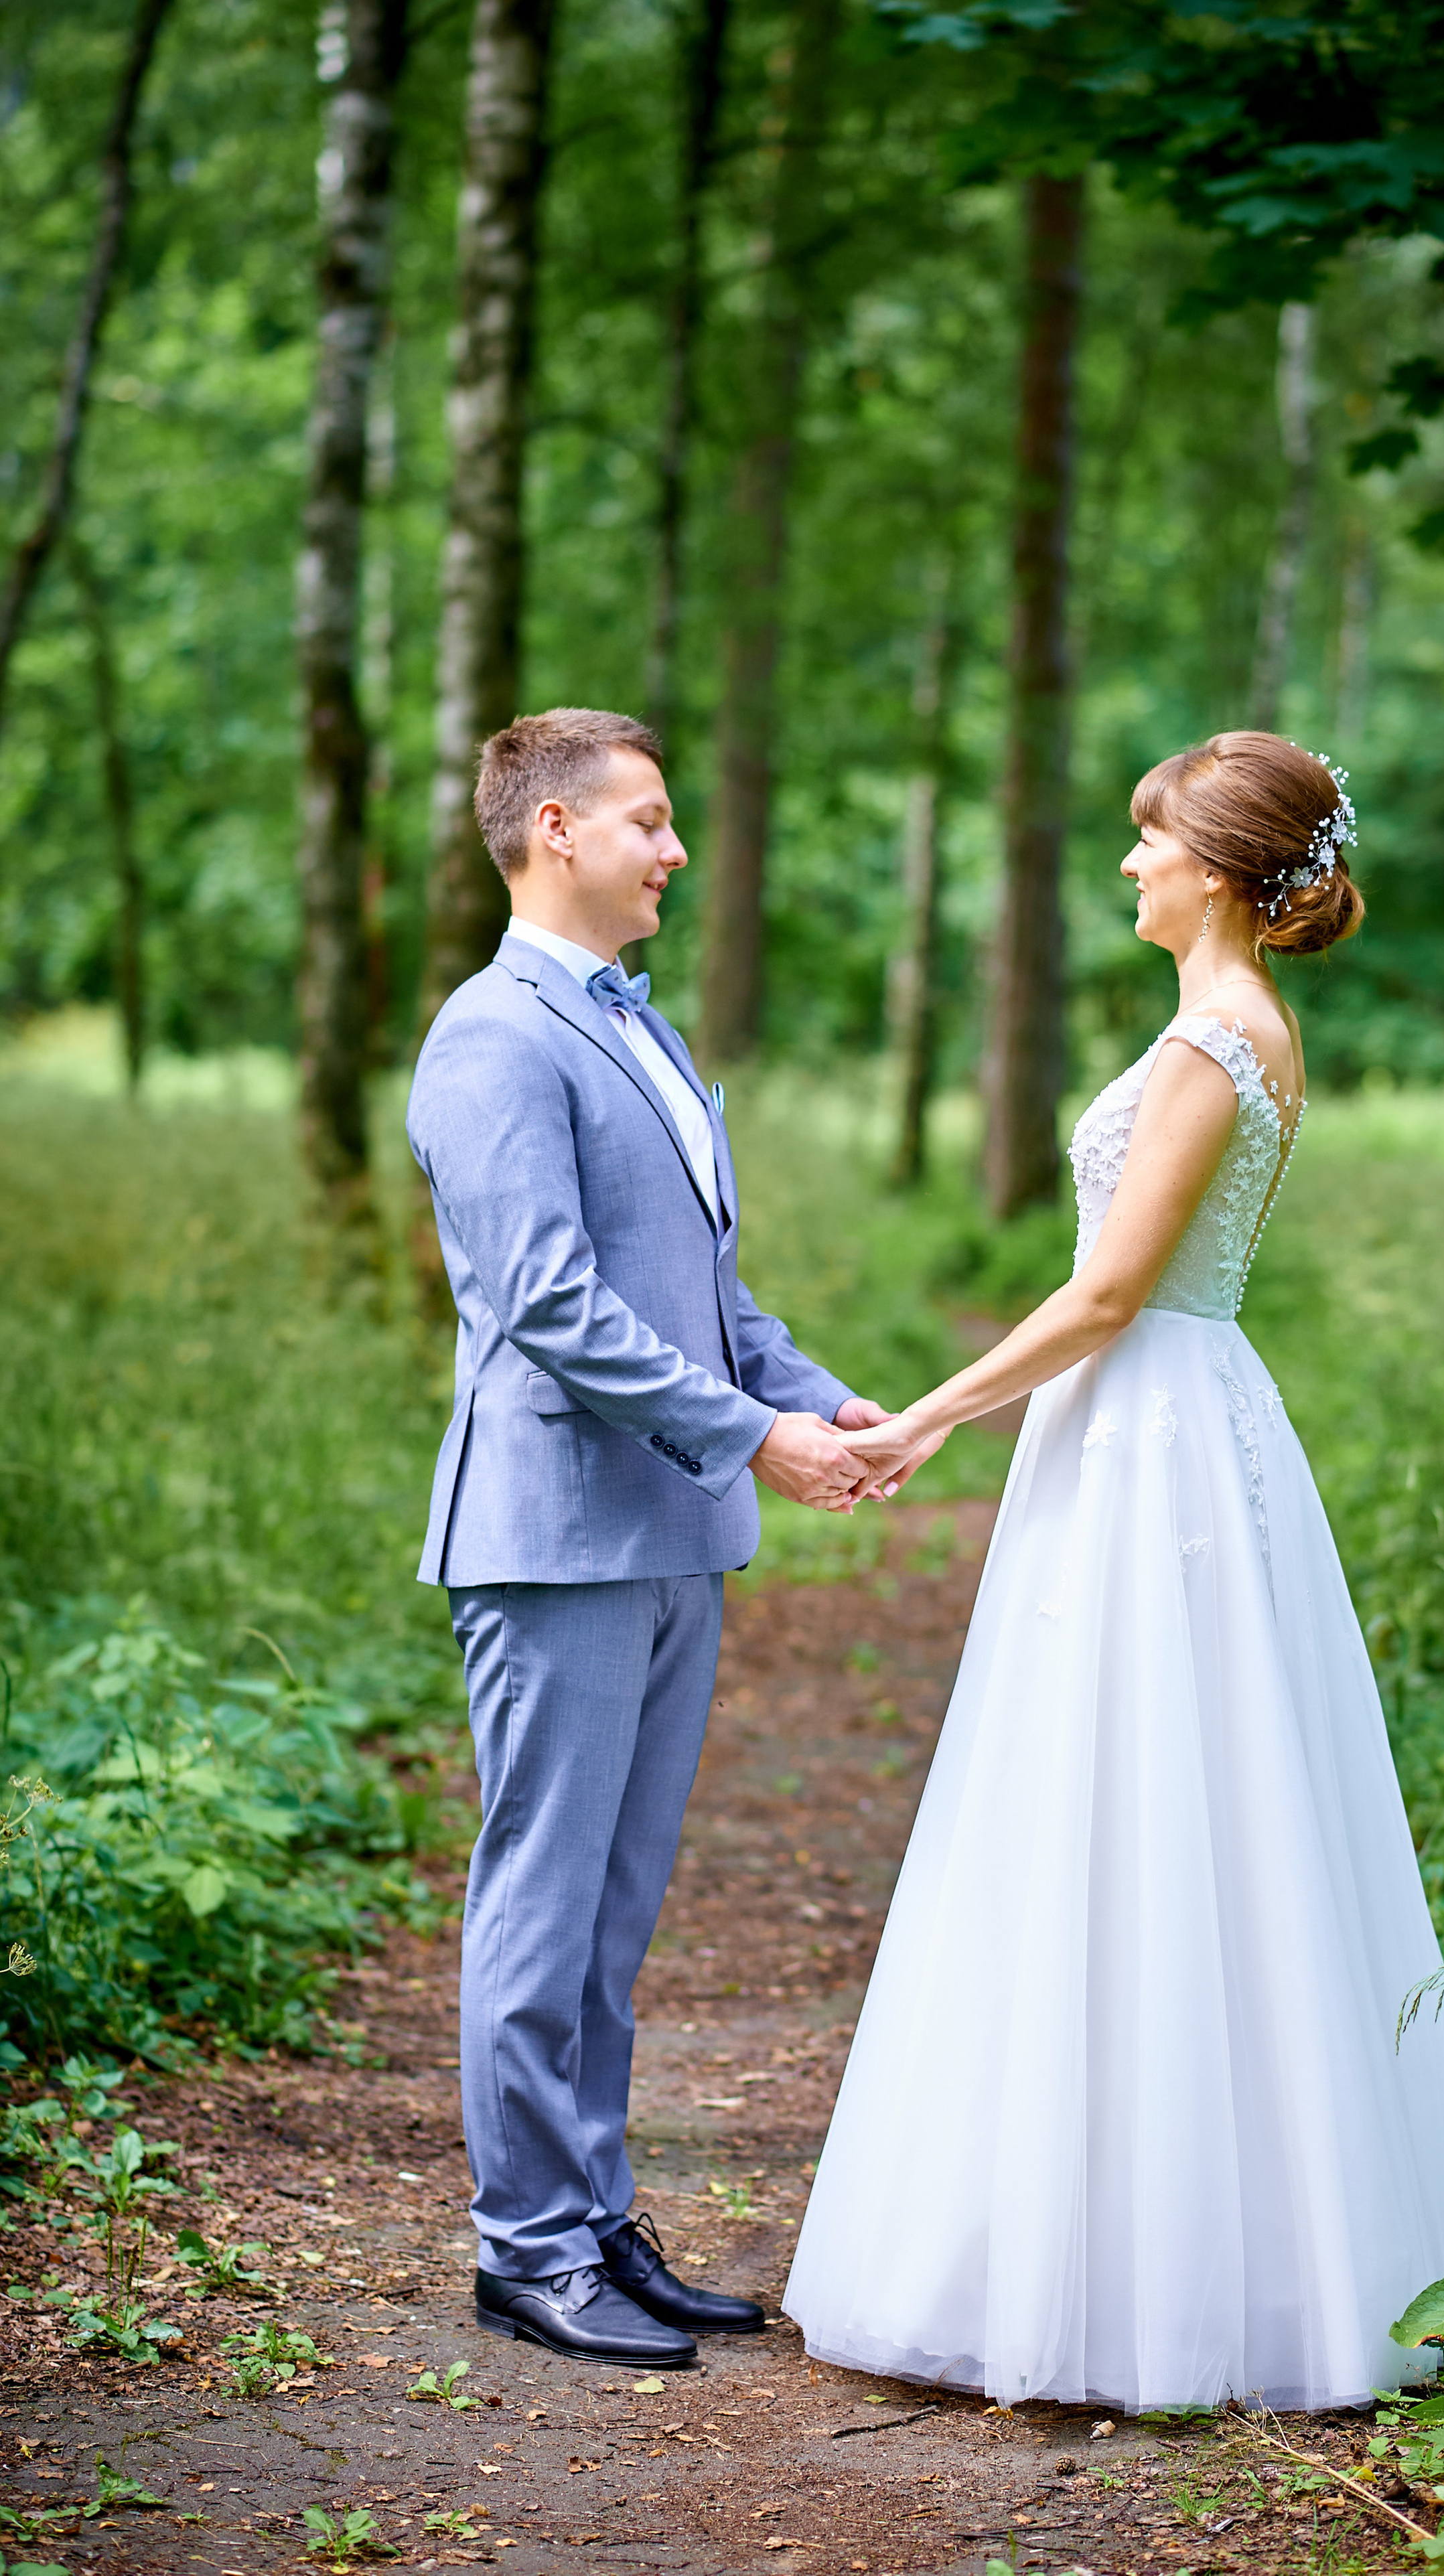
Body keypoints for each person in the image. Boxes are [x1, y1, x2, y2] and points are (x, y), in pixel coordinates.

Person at [784, 732, 1444, 2414]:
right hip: (1151, 1427)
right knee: (1129, 1803)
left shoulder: (1214, 1038)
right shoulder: (1229, 1027)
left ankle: (1143, 2276)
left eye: (1149, 840)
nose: (1126, 864)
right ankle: (1101, 2237)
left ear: (1216, 862)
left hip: (1153, 1428)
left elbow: (1109, 1293)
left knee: (1153, 1805)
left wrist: (932, 1422)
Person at [407, 706, 897, 2371]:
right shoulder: (492, 1035)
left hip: (673, 1524)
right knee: (541, 1906)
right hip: (553, 1536)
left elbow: (703, 1296)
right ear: (556, 830)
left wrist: (823, 1406)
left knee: (615, 1915)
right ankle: (523, 2248)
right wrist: (748, 1432)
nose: (675, 851)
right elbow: (549, 1302)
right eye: (650, 822)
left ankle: (593, 2220)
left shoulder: (643, 1030)